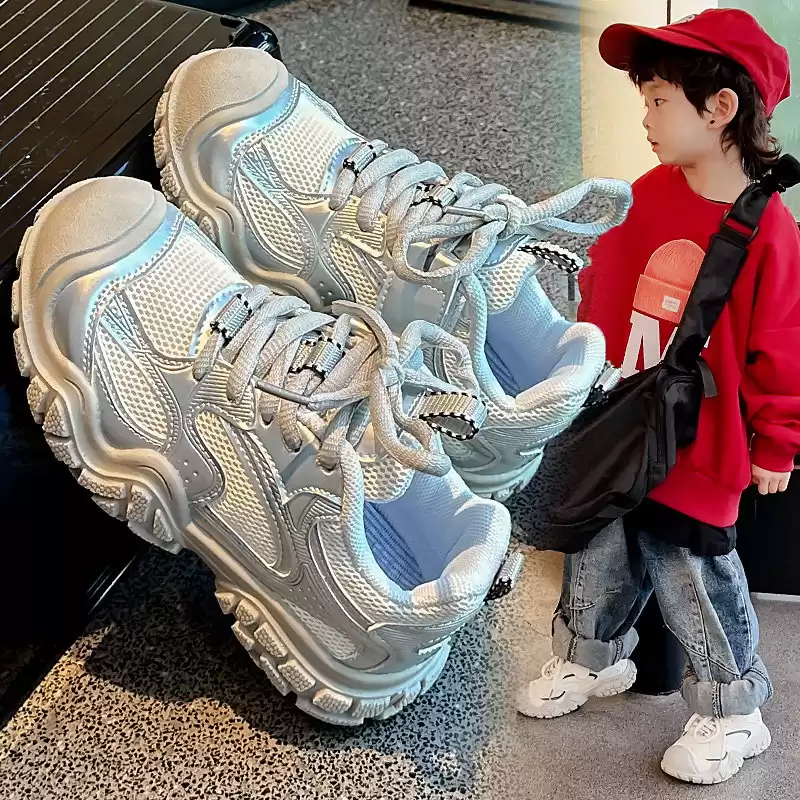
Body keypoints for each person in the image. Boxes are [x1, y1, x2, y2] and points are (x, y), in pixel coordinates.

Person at [516, 9, 800, 786]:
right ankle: (591, 656)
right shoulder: (647, 195)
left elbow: (782, 348)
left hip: (703, 443)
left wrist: (778, 442)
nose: (645, 117)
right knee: (599, 542)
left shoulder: (769, 230)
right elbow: (604, 291)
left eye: (659, 101)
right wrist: (581, 375)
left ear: (720, 109)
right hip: (624, 419)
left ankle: (734, 709)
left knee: (691, 569)